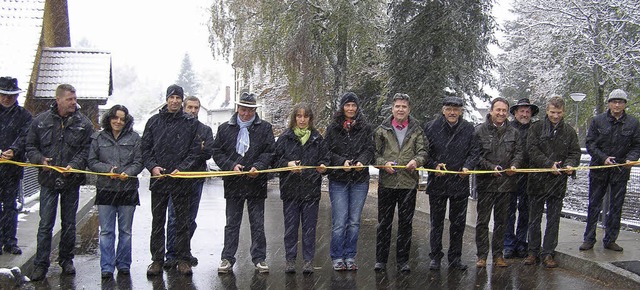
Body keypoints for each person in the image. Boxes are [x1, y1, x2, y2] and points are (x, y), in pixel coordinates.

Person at [26, 84, 94, 281]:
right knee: (46, 224)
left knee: (69, 224)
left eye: (75, 99)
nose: (74, 102)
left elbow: (87, 149)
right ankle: (41, 264)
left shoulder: (84, 123)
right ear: (58, 100)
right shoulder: (40, 122)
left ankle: (66, 260)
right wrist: (39, 160)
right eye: (70, 99)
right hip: (48, 180)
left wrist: (74, 164)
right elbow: (30, 145)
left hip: (71, 181)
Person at [141, 84, 200, 276]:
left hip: (181, 180)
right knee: (158, 222)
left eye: (178, 98)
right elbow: (146, 149)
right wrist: (152, 167)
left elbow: (194, 151)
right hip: (159, 180)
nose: (174, 101)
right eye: (171, 97)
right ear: (166, 99)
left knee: (182, 222)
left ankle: (182, 259)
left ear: (181, 100)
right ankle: (157, 260)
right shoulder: (153, 122)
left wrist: (182, 168)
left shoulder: (190, 123)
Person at [213, 92, 275, 274]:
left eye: (250, 110)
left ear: (255, 110)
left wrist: (258, 166)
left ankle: (259, 258)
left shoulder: (264, 128)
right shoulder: (225, 128)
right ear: (237, 108)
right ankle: (227, 258)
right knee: (232, 223)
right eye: (243, 109)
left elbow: (270, 151)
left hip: (256, 182)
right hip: (233, 182)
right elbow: (217, 152)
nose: (246, 113)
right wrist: (231, 165)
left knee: (257, 222)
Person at [580, 89, 640, 252]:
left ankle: (611, 239)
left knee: (616, 206)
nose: (617, 105)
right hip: (600, 170)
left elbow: (637, 145)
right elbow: (591, 144)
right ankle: (589, 238)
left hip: (620, 170)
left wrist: (630, 158)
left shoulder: (633, 123)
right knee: (594, 205)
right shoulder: (598, 121)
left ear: (625, 104)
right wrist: (603, 158)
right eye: (614, 101)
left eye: (620, 102)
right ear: (609, 103)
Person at [423, 95, 479, 271]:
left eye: (456, 109)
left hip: (459, 183)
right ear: (443, 110)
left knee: (458, 224)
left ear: (461, 111)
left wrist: (467, 166)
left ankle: (455, 257)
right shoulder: (431, 127)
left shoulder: (469, 129)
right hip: (437, 183)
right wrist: (433, 165)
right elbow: (424, 153)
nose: (452, 112)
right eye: (449, 109)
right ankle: (435, 257)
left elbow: (474, 152)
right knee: (436, 223)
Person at [373, 93, 427, 272]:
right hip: (387, 183)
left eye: (404, 106)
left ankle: (402, 260)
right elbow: (374, 154)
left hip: (408, 184)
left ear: (409, 109)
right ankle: (381, 260)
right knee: (384, 223)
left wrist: (416, 161)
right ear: (392, 108)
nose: (400, 109)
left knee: (406, 224)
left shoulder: (417, 130)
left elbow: (423, 152)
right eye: (397, 106)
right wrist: (383, 164)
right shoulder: (382, 129)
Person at [88, 105, 143, 279]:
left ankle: (124, 264)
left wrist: (130, 172)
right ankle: (107, 266)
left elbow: (139, 161)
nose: (118, 121)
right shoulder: (98, 137)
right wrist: (107, 170)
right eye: (115, 118)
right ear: (109, 118)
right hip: (106, 189)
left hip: (128, 190)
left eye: (122, 119)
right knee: (106, 231)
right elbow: (92, 161)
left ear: (127, 121)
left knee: (125, 231)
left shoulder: (134, 138)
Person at [525, 96, 580, 268]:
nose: (555, 116)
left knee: (553, 219)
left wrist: (571, 164)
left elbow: (575, 152)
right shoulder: (536, 128)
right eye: (552, 112)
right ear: (547, 111)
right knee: (534, 219)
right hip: (537, 181)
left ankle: (548, 252)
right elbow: (531, 150)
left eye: (559, 113)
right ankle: (533, 252)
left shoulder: (569, 132)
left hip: (557, 182)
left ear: (563, 112)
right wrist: (548, 164)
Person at [324, 92, 374, 271]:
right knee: (339, 221)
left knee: (354, 220)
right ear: (342, 107)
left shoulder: (365, 128)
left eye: (353, 105)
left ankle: (350, 255)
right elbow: (326, 152)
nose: (351, 109)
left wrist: (362, 161)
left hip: (359, 180)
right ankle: (337, 256)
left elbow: (370, 149)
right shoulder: (333, 128)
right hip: (338, 180)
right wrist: (340, 162)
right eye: (348, 105)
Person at [273, 103, 326, 274]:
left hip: (311, 191)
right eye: (299, 116)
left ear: (310, 119)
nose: (302, 119)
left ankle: (308, 260)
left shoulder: (317, 139)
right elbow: (274, 162)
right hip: (290, 191)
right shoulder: (285, 138)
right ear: (294, 118)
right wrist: (287, 165)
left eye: (305, 116)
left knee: (309, 229)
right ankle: (290, 259)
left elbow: (326, 159)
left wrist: (323, 166)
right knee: (291, 228)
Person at [164, 96, 214, 269]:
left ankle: (183, 251)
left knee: (190, 219)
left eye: (196, 107)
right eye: (190, 107)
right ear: (184, 108)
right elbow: (172, 151)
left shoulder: (205, 130)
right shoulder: (176, 127)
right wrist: (195, 150)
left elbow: (208, 151)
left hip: (196, 179)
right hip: (177, 179)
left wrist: (197, 151)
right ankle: (171, 254)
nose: (193, 111)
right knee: (173, 218)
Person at [473, 97, 523, 268]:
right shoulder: (479, 131)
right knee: (482, 222)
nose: (501, 113)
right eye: (498, 110)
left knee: (502, 222)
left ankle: (498, 255)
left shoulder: (514, 132)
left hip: (506, 184)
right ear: (491, 111)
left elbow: (519, 152)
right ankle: (481, 255)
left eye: (504, 110)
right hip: (486, 184)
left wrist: (515, 165)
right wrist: (490, 167)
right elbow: (476, 156)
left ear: (507, 112)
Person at [0, 77, 32, 256]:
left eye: (10, 95)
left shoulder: (24, 115)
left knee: (10, 206)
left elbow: (26, 136)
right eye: (3, 95)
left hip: (12, 170)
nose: (6, 99)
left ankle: (10, 241)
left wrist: (14, 149)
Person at [504, 98, 539, 259]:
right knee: (508, 212)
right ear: (515, 113)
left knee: (526, 211)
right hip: (510, 176)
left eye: (527, 111)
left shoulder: (535, 129)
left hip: (530, 177)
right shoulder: (508, 128)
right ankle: (508, 244)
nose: (524, 114)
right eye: (521, 111)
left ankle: (521, 242)